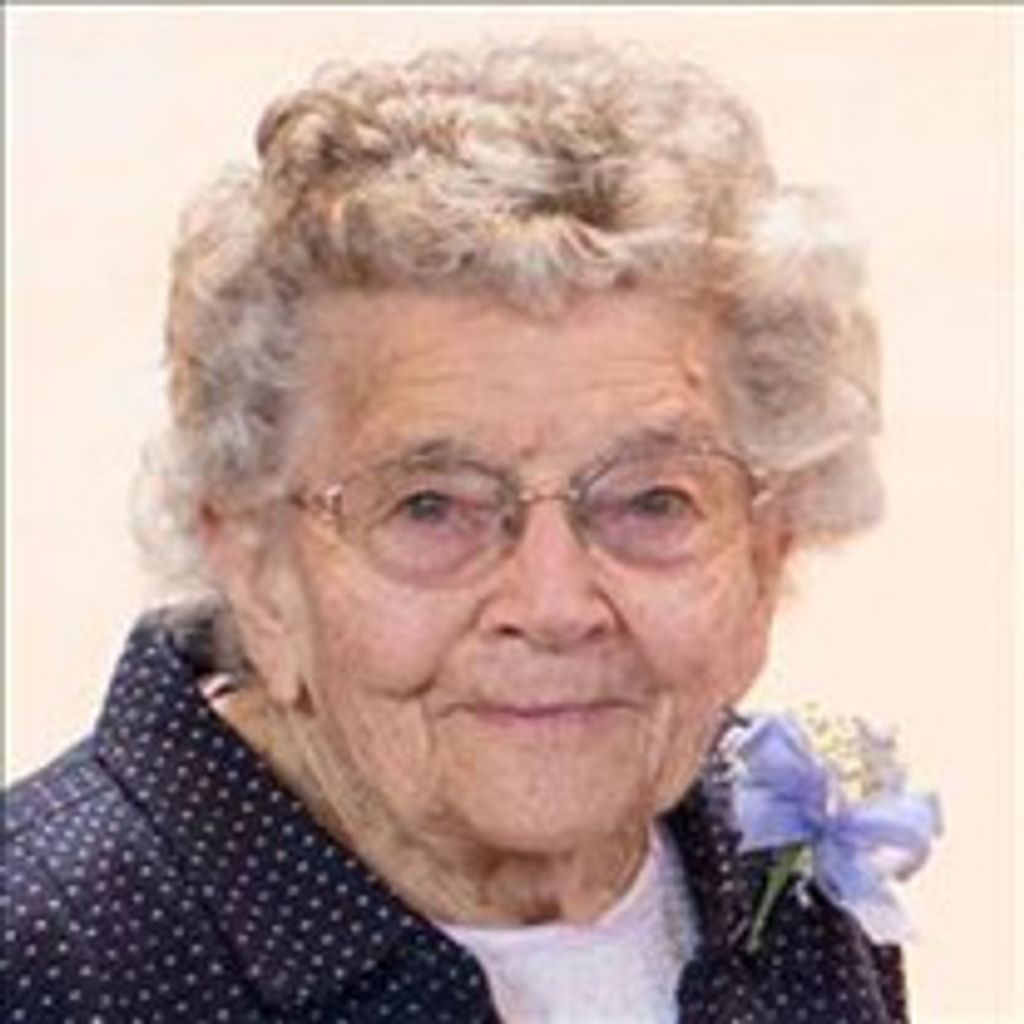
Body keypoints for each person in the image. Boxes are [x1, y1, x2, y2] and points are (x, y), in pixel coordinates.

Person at [4, 38, 904, 1022]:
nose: (554, 606)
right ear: (257, 568)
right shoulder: (47, 955)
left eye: (651, 501)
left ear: (769, 548)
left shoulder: (793, 887)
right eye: (430, 507)